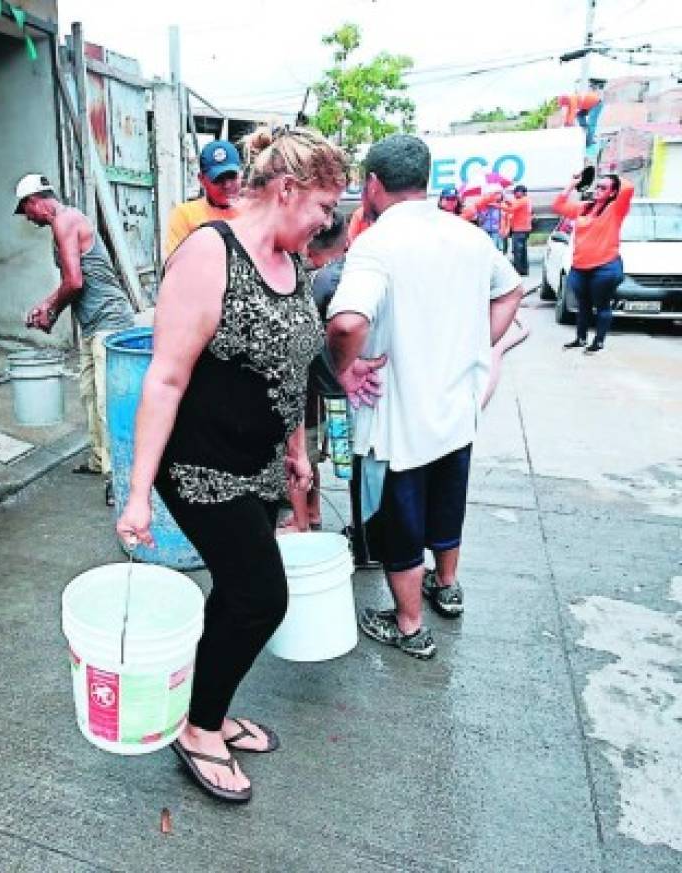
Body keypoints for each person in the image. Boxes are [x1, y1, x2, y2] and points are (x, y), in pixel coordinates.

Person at [115, 126, 383, 803]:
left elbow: (292, 370)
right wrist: (138, 492)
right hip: (201, 466)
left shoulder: (292, 265)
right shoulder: (209, 253)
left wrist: (296, 454)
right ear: (288, 190)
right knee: (263, 597)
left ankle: (205, 702)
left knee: (235, 594)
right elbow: (166, 379)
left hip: (261, 465)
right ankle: (199, 730)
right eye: (324, 206)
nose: (328, 221)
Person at [326, 134, 523, 660]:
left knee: (400, 526)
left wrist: (342, 369)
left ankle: (410, 626)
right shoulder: (468, 236)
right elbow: (510, 291)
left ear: (372, 184)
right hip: (457, 409)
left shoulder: (376, 243)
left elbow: (346, 321)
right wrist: (478, 345)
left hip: (399, 420)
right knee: (447, 502)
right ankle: (447, 586)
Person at [17, 174, 136, 501]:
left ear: (35, 202)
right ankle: (100, 460)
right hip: (92, 324)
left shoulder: (65, 221)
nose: (28, 218)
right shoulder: (64, 224)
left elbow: (74, 281)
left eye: (25, 210)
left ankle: (118, 477)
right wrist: (52, 313)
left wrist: (46, 306)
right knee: (88, 393)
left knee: (105, 402)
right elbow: (74, 285)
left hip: (110, 322)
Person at [278, 211, 350, 535]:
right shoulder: (355, 272)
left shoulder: (319, 281)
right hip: (335, 390)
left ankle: (301, 523)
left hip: (309, 390)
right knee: (315, 456)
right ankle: (314, 511)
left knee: (298, 457)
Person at [552, 172, 633, 354]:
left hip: (604, 267)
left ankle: (598, 341)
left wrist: (614, 176)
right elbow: (558, 206)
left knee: (602, 305)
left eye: (603, 188)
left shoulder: (616, 209)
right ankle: (580, 339)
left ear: (613, 193)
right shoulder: (584, 208)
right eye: (597, 186)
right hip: (580, 267)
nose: (597, 190)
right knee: (583, 305)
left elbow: (628, 188)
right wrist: (572, 184)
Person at [164, 139, 242, 258]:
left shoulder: (253, 213)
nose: (227, 185)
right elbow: (176, 264)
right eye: (218, 179)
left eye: (232, 177)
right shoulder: (185, 215)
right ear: (202, 180)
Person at [505, 184, 533, 275]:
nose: (514, 194)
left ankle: (518, 270)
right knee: (523, 250)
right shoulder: (526, 200)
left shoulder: (523, 200)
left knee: (518, 251)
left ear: (522, 192)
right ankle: (524, 270)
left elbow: (511, 209)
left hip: (519, 229)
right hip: (524, 229)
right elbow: (514, 206)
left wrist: (496, 205)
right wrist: (508, 202)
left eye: (516, 192)